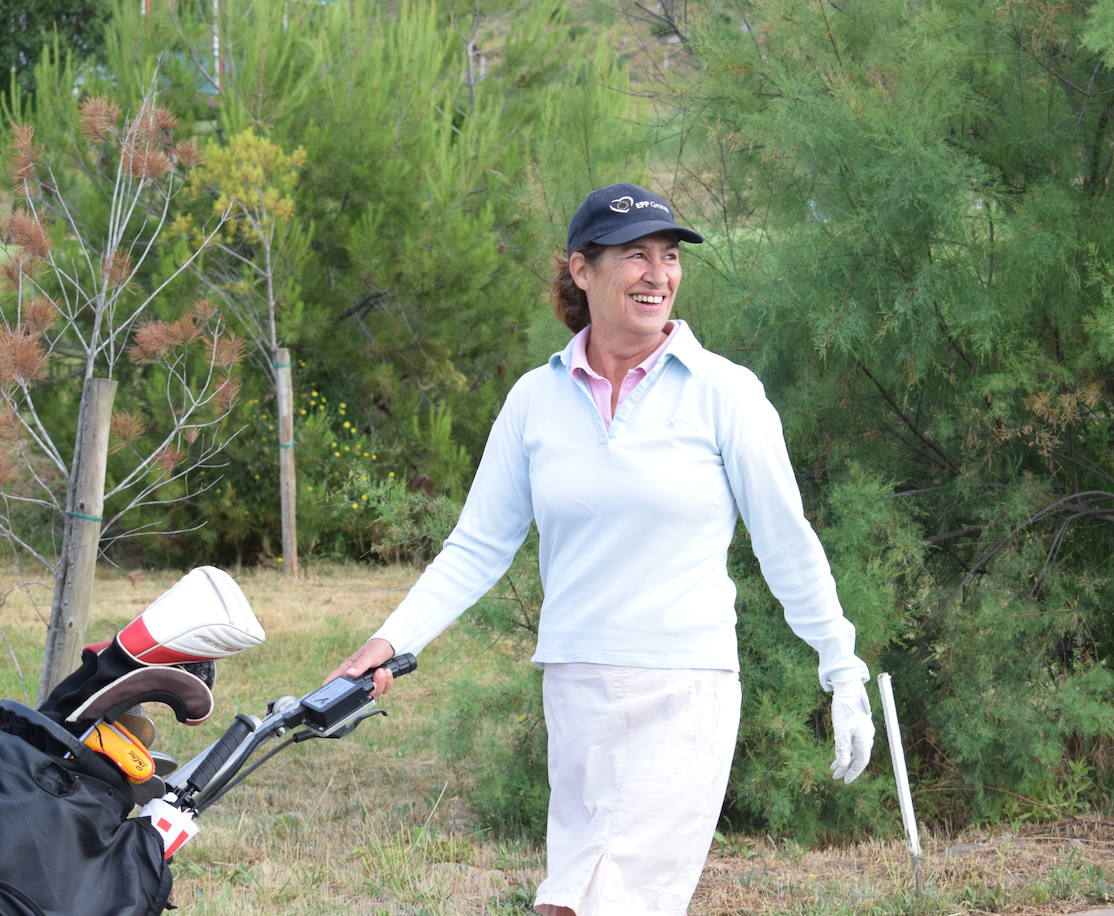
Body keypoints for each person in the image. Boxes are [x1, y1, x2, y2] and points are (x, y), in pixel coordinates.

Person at [327, 182, 876, 916]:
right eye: (634, 256)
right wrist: (387, 642)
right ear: (582, 271)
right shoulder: (535, 398)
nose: (658, 274)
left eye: (669, 256)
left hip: (684, 688)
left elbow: (785, 539)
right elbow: (477, 546)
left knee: (588, 904)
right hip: (578, 688)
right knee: (585, 897)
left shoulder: (725, 393)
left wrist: (841, 667)